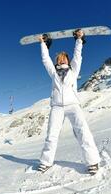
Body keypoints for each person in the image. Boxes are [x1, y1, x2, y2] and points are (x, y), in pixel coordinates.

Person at [37, 29, 101, 175]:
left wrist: (79, 40)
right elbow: (45, 59)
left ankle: (92, 162)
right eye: (59, 59)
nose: (62, 60)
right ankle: (46, 162)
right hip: (57, 107)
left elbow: (77, 56)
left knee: (82, 131)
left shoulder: (73, 71)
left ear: (67, 59)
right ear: (57, 61)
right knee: (51, 135)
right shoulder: (53, 72)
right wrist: (42, 43)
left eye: (64, 58)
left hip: (73, 106)